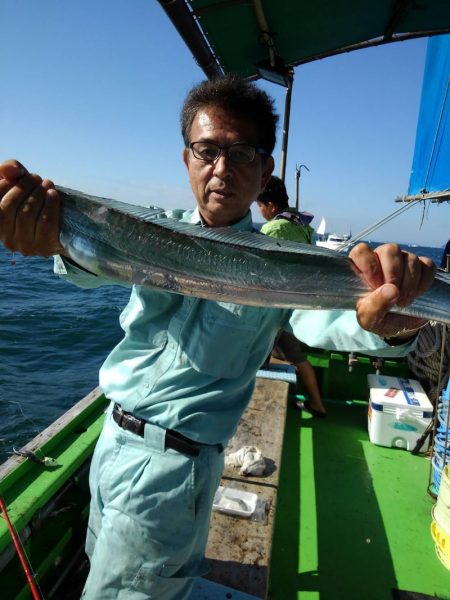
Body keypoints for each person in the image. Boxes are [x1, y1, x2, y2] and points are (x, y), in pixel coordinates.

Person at [0, 75, 436, 600]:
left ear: (265, 168)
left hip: (172, 471)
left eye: (242, 153)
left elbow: (332, 321)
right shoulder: (145, 233)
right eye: (207, 151)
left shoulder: (287, 268)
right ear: (187, 160)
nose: (222, 169)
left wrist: (388, 323)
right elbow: (86, 262)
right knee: (101, 564)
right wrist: (47, 232)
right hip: (112, 445)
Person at [257, 175, 326, 416]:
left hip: (274, 305)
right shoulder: (303, 225)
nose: (260, 211)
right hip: (297, 303)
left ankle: (256, 408)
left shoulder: (273, 228)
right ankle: (317, 403)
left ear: (272, 206)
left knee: (257, 351)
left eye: (261, 206)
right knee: (299, 358)